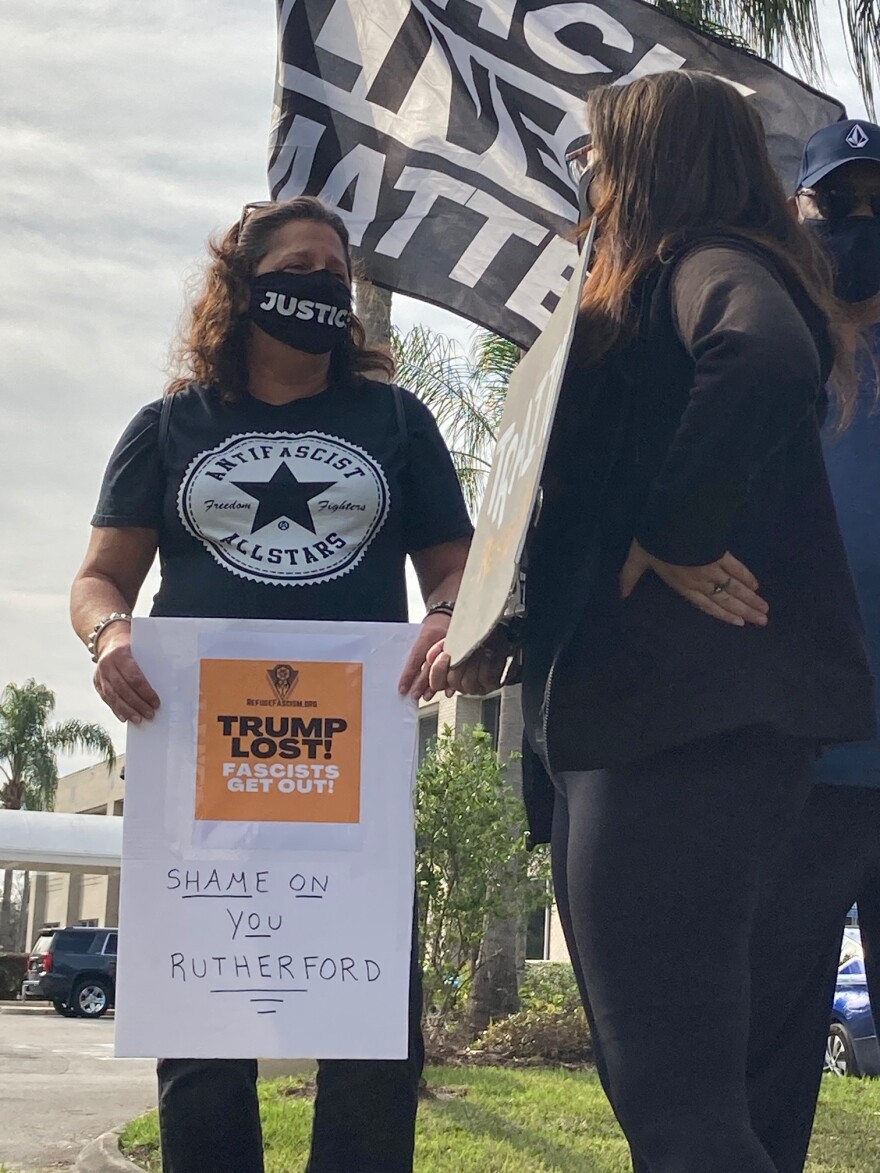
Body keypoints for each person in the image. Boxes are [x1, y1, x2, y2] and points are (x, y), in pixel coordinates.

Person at [428, 71, 874, 1172]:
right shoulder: (655, 282)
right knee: (664, 1087)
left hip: (682, 737)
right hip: (646, 728)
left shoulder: (712, 264)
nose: (585, 174)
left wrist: (673, 529)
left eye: (597, 154)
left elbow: (763, 354)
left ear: (653, 162)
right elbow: (584, 496)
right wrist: (515, 623)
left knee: (676, 1097)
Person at [69, 196, 473, 1173]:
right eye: (300, 268)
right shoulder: (171, 425)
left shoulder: (395, 422)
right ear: (244, 290)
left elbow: (454, 571)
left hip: (353, 768)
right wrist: (110, 635)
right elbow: (98, 580)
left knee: (372, 1027)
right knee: (201, 1029)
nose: (324, 287)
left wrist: (449, 618)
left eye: (337, 274)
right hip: (201, 766)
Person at [746, 119, 880, 1173]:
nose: (860, 227)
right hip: (795, 763)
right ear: (800, 216)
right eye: (840, 206)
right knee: (770, 1046)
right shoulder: (759, 353)